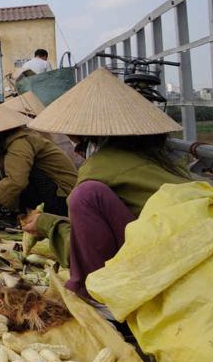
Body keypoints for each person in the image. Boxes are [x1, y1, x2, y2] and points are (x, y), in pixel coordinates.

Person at [22, 68, 191, 299]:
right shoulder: (165, 158)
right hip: (188, 241)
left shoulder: (97, 169)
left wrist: (46, 224)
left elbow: (82, 248)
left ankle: (98, 298)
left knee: (86, 195)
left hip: (167, 257)